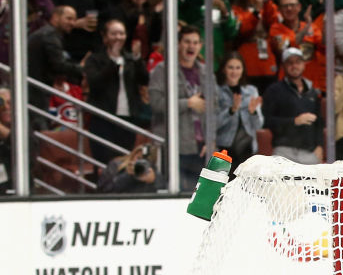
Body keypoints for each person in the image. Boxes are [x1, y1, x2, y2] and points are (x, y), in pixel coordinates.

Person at [83, 19, 149, 165]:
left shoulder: (130, 59)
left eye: (121, 33)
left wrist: (138, 59)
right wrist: (112, 63)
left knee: (125, 161)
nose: (118, 37)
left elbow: (144, 79)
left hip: (128, 118)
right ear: (105, 36)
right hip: (103, 118)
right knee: (105, 161)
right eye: (114, 33)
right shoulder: (95, 59)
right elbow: (95, 83)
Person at [150, 26, 208, 191]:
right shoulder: (162, 70)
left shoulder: (205, 72)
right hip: (174, 146)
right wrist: (187, 103)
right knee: (177, 196)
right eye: (187, 42)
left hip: (201, 147)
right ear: (178, 44)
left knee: (198, 200)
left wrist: (210, 139)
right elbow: (156, 103)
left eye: (195, 42)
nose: (191, 46)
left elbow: (214, 108)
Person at [261, 46, 323, 164]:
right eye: (290, 63)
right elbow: (267, 121)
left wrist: (320, 146)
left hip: (309, 152)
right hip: (283, 151)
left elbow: (319, 122)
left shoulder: (312, 92)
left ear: (304, 64)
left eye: (298, 62)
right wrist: (294, 121)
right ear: (283, 66)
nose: (294, 66)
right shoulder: (274, 91)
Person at [27, 5, 83, 115]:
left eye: (74, 20)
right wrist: (82, 68)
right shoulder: (50, 35)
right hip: (37, 90)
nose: (72, 23)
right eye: (69, 18)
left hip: (36, 88)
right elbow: (59, 65)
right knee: (38, 124)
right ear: (56, 17)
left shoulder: (47, 33)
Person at [215, 53, 264, 176]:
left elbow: (258, 125)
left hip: (247, 149)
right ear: (223, 69)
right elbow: (213, 124)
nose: (234, 72)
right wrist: (231, 110)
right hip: (224, 149)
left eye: (238, 68)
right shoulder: (217, 91)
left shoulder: (251, 91)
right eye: (230, 67)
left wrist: (253, 113)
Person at [231, 0, 280, 92]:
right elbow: (242, 29)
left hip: (267, 58)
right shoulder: (234, 10)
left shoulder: (267, 6)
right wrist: (256, 12)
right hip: (246, 58)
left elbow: (274, 23)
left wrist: (267, 2)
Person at [96, 143, 161, 193]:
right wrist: (127, 175)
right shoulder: (115, 165)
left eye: (145, 161)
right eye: (138, 158)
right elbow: (102, 191)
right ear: (134, 154)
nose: (140, 163)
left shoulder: (151, 172)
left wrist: (152, 182)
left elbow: (162, 192)